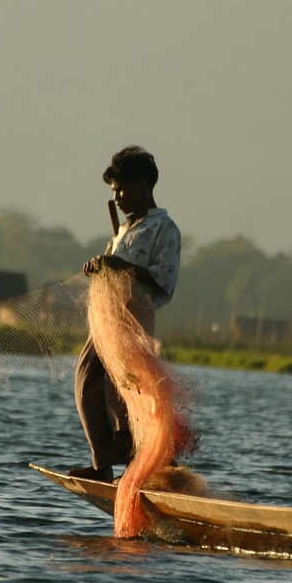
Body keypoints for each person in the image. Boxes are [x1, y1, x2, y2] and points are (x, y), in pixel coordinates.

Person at [70, 146, 181, 482]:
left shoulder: (164, 228)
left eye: (121, 189)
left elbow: (165, 279)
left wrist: (122, 266)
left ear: (143, 186)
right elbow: (110, 268)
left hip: (134, 322)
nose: (116, 197)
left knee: (133, 392)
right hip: (107, 322)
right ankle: (105, 463)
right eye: (113, 191)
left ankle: (150, 464)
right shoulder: (123, 232)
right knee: (89, 382)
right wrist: (100, 265)